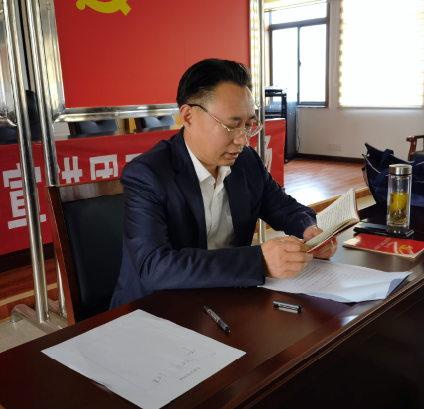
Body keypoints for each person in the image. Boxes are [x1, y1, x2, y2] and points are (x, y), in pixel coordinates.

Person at [110, 59, 337, 308]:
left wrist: (310, 230)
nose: (243, 140)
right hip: (157, 307)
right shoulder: (147, 174)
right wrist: (258, 261)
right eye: (231, 126)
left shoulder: (247, 161)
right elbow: (154, 266)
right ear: (188, 116)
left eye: (248, 126)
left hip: (228, 298)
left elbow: (283, 207)